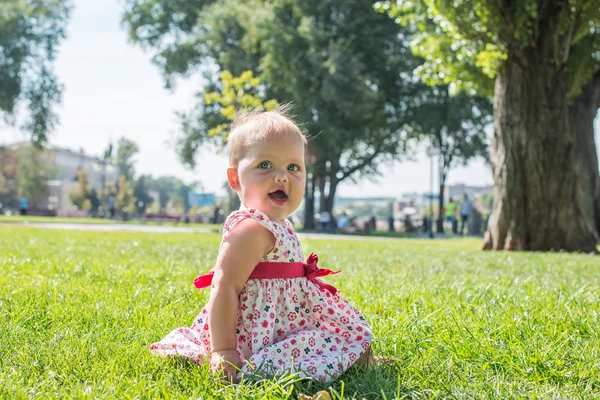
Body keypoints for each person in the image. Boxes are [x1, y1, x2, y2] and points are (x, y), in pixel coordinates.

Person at [150, 106, 372, 383]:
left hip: (283, 324)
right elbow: (225, 286)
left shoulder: (278, 225)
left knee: (352, 340)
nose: (281, 176)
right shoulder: (252, 229)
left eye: (293, 167)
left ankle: (349, 356)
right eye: (265, 165)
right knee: (350, 345)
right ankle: (335, 357)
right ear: (235, 179)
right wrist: (224, 349)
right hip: (258, 335)